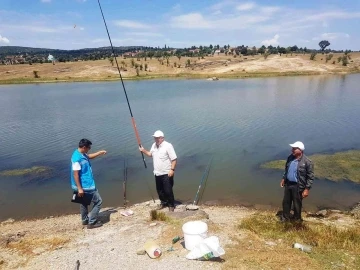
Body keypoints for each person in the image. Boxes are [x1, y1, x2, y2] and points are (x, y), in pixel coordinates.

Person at [71, 139, 107, 229]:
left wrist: (99, 152)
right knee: (98, 201)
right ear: (84, 147)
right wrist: (80, 188)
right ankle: (92, 222)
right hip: (86, 185)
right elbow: (75, 174)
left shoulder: (80, 154)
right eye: (89, 148)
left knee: (83, 202)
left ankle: (85, 220)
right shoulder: (76, 158)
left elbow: (89, 156)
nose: (89, 149)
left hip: (82, 185)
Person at [139, 130, 177, 212]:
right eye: (155, 138)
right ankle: (164, 203)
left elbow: (174, 159)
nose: (155, 139)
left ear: (162, 138)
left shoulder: (168, 146)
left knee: (168, 190)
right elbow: (150, 154)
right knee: (159, 190)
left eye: (157, 138)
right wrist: (143, 150)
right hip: (157, 173)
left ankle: (171, 205)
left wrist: (172, 169)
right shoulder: (154, 145)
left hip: (167, 172)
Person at [280, 141, 314, 222]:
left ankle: (297, 219)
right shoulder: (290, 158)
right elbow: (286, 170)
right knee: (286, 202)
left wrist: (307, 189)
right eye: (292, 148)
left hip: (298, 186)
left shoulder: (307, 162)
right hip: (288, 184)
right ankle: (285, 218)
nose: (292, 150)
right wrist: (283, 178)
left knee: (297, 204)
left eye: (294, 149)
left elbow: (310, 177)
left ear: (300, 150)